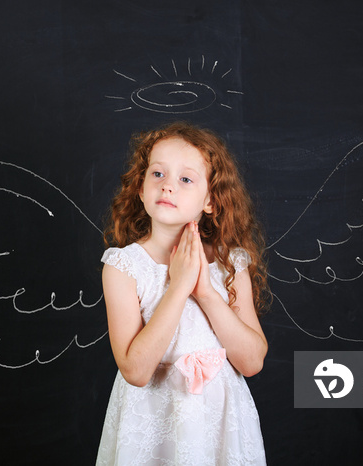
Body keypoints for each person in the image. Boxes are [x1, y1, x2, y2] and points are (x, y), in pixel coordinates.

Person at [96, 121, 270, 465]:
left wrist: (204, 291)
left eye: (185, 179)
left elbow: (252, 362)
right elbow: (135, 370)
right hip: (152, 427)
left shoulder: (230, 264)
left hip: (218, 426)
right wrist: (178, 288)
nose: (168, 187)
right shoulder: (123, 267)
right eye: (157, 174)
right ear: (141, 190)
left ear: (210, 200)